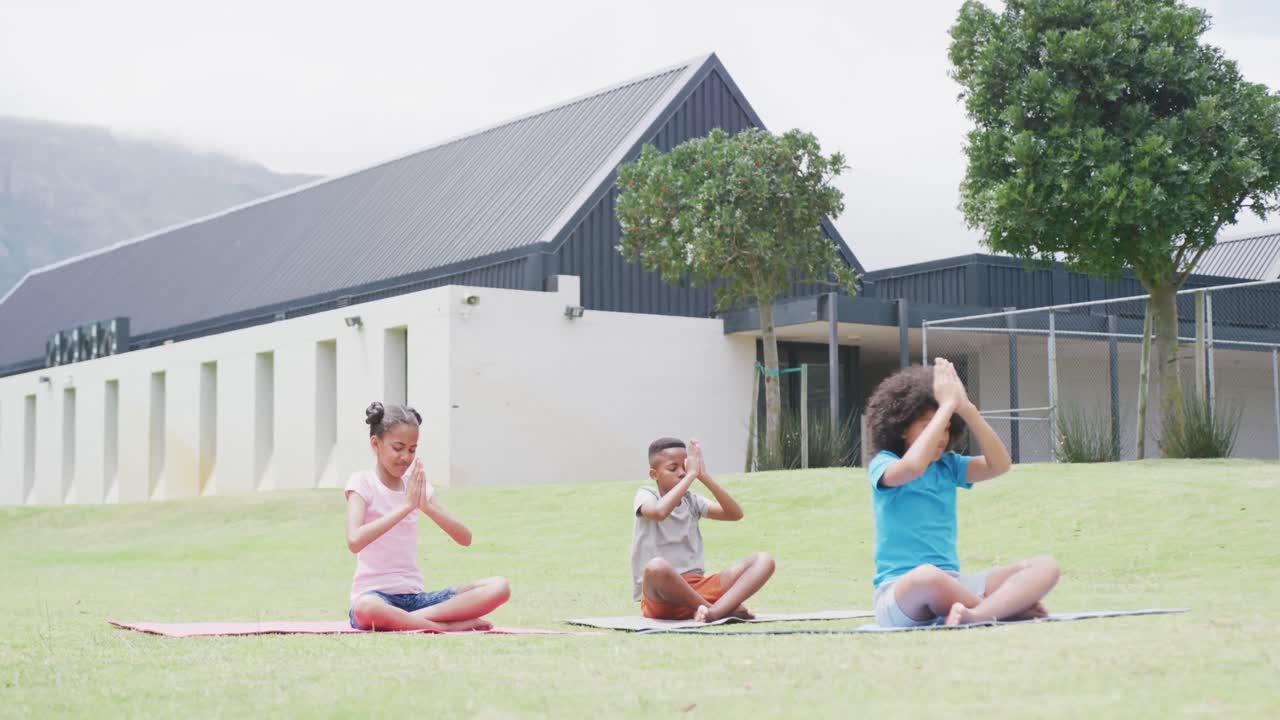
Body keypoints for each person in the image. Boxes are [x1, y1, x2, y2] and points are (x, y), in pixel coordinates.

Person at [864, 359, 1059, 627]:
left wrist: (965, 408)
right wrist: (946, 406)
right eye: (929, 425)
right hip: (900, 593)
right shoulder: (884, 463)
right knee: (927, 576)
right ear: (901, 429)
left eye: (946, 427)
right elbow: (912, 467)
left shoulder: (948, 466)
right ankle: (1004, 610)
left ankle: (978, 615)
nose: (941, 435)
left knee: (1045, 566)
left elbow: (999, 464)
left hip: (954, 585)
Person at [345, 401, 509, 631]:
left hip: (416, 599)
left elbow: (465, 538)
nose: (405, 457)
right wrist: (405, 507)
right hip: (375, 598)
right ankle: (445, 627)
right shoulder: (362, 482)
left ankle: (413, 620)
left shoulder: (416, 487)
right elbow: (354, 541)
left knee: (499, 587)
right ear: (376, 444)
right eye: (398, 448)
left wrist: (427, 506)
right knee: (365, 609)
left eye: (412, 449)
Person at [631, 437, 775, 622]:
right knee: (656, 567)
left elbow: (734, 513)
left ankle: (712, 613)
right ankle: (717, 610)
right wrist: (690, 476)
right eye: (673, 469)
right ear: (654, 474)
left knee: (764, 560)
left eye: (685, 467)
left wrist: (703, 476)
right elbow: (659, 512)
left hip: (698, 590)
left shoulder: (691, 500)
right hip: (662, 597)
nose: (682, 473)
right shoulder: (646, 495)